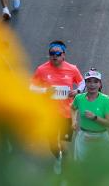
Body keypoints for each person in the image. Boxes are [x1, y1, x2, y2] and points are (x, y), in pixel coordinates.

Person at [31, 41, 84, 173]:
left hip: (67, 113)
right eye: (52, 53)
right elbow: (32, 87)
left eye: (58, 53)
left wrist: (77, 91)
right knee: (53, 144)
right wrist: (45, 91)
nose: (54, 56)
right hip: (49, 114)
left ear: (63, 55)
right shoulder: (41, 70)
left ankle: (64, 165)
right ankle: (58, 158)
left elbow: (82, 82)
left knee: (63, 143)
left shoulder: (72, 69)